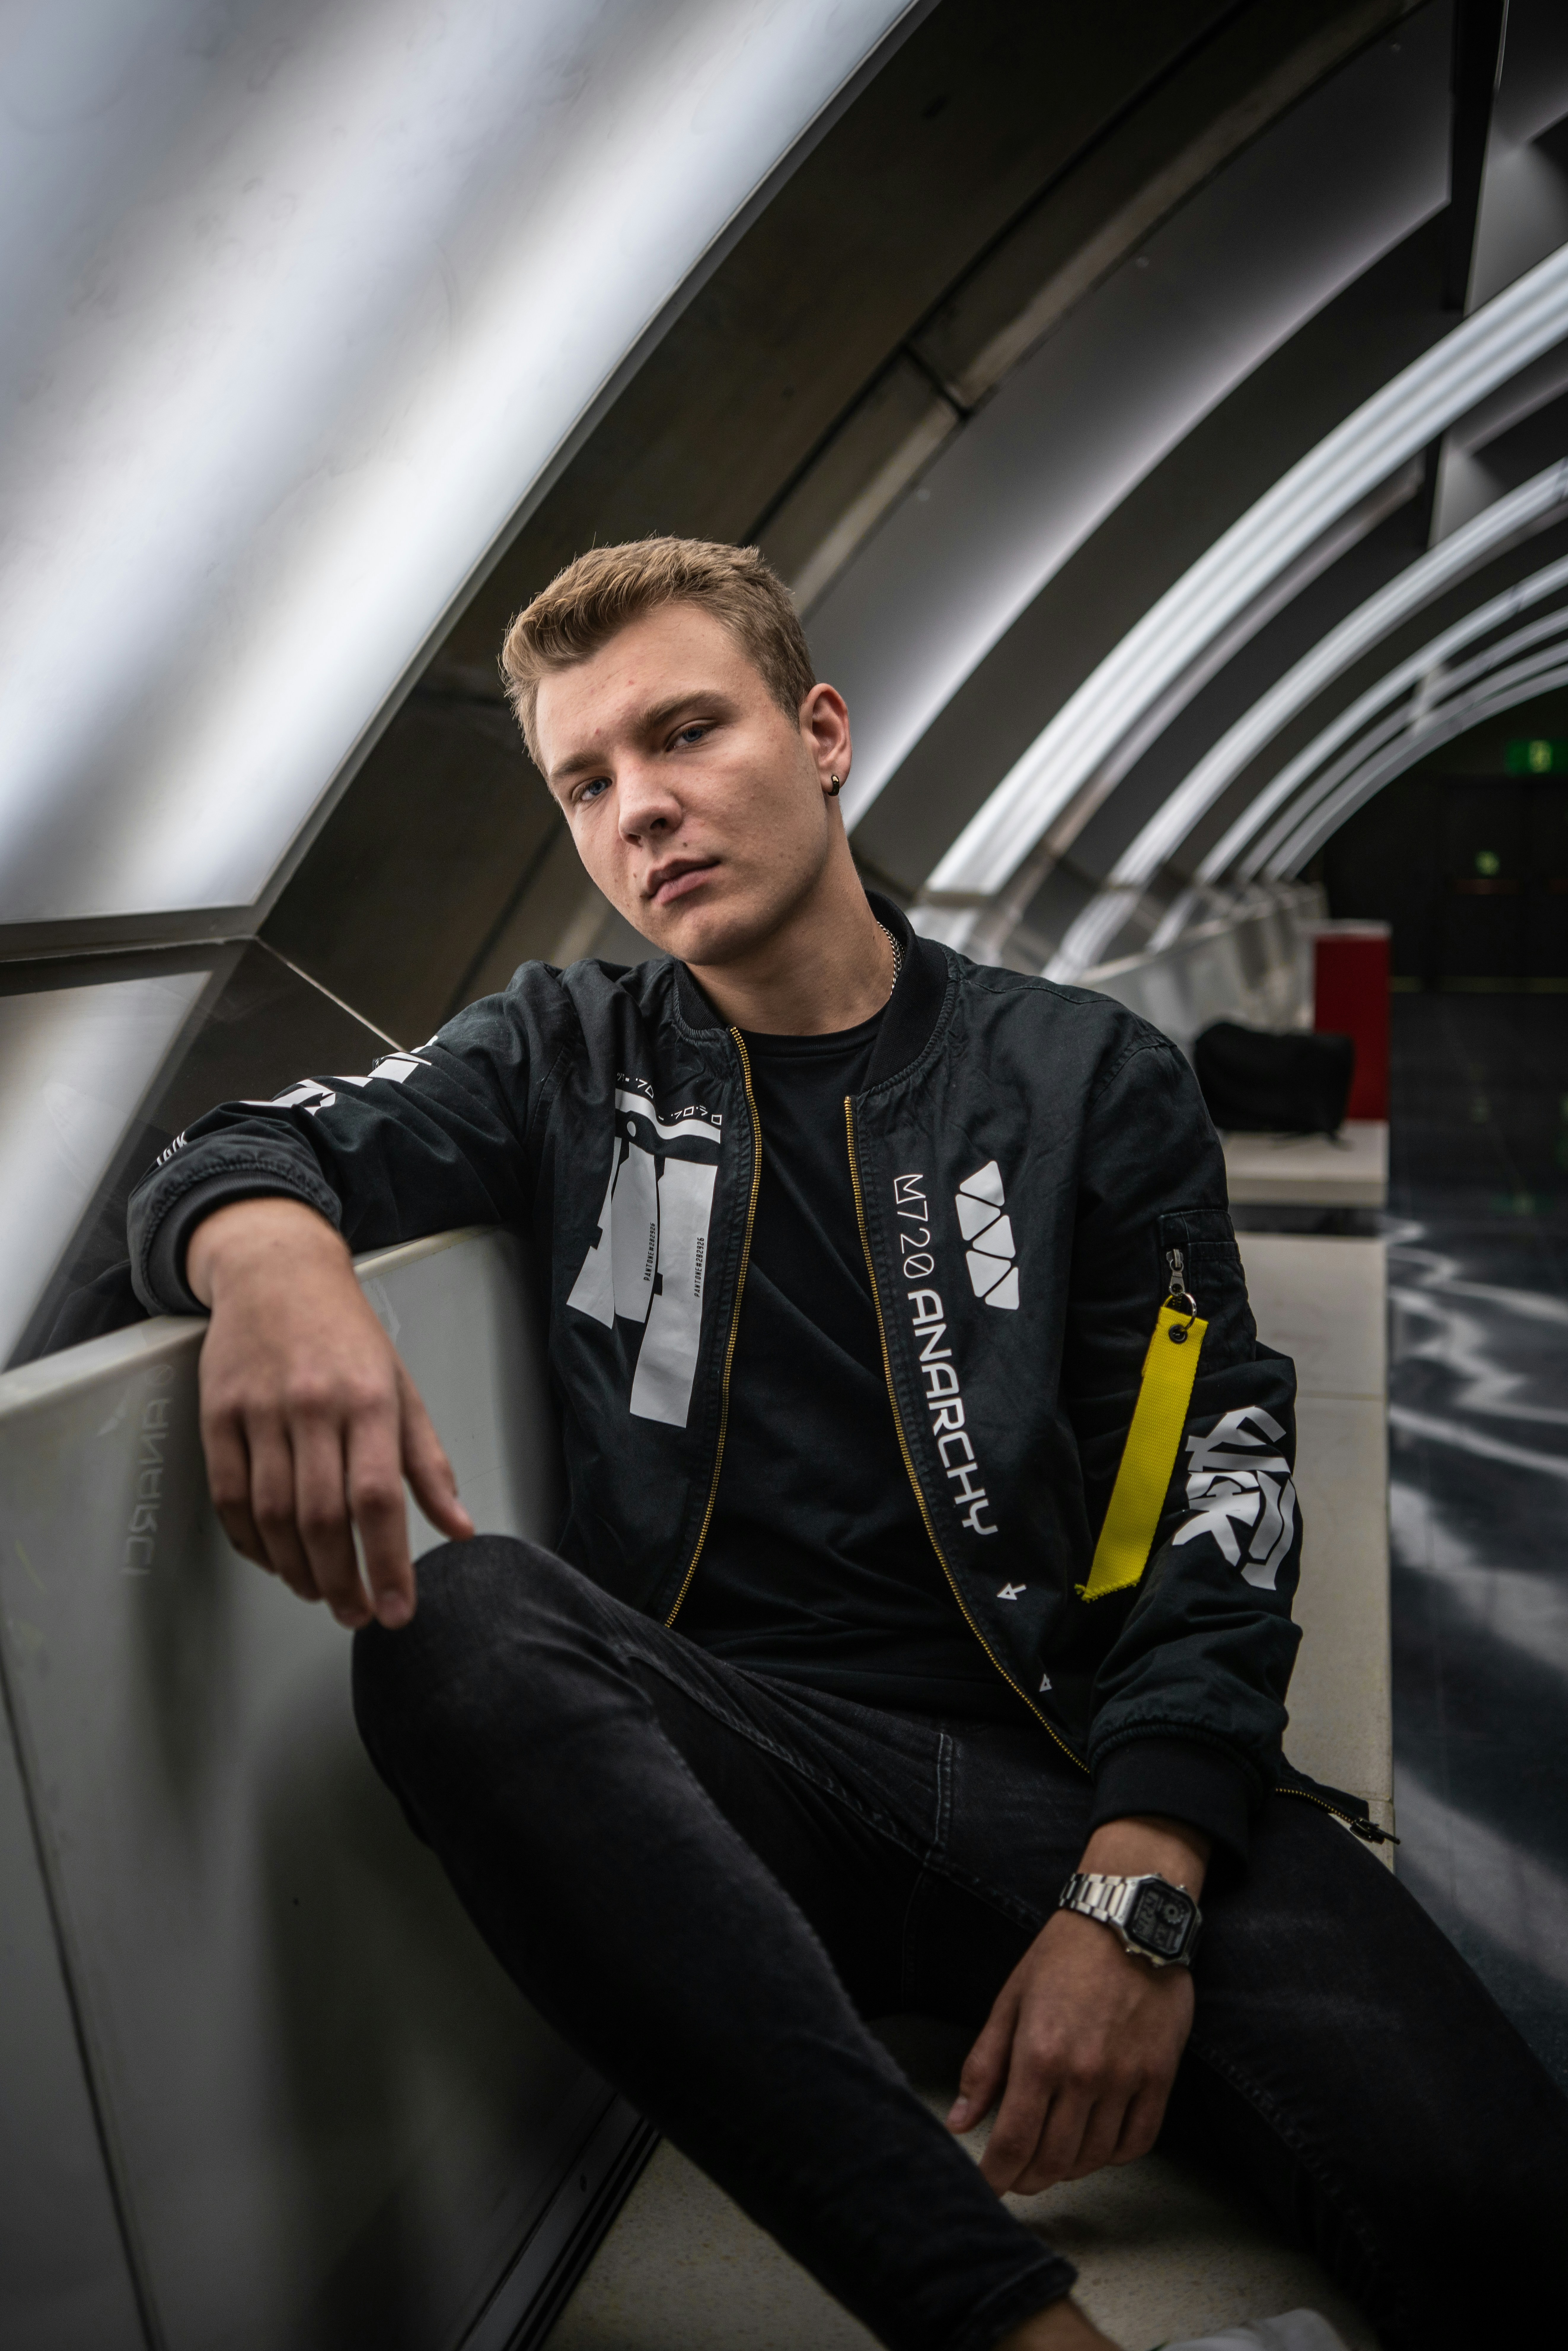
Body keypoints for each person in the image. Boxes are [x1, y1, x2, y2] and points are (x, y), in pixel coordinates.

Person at [127, 539, 1565, 2351]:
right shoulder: (564, 1056)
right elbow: (235, 1140)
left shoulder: (1082, 1080)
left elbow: (1221, 1487)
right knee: (461, 1621)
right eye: (587, 781)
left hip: (1064, 1760)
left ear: (821, 735)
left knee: (1500, 2209)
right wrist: (273, 1266)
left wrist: (1137, 1888)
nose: (640, 808)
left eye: (684, 734)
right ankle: (1007, 2332)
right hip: (758, 1775)